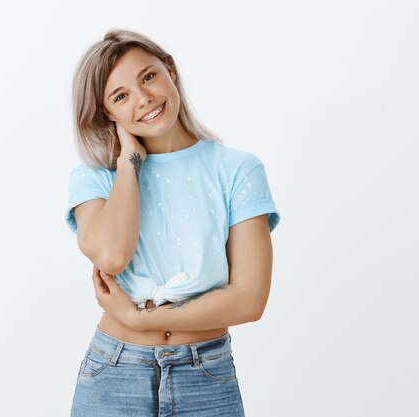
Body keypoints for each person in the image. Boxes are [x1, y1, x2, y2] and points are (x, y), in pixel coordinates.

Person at [64, 29, 280, 416]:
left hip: (206, 379)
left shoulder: (237, 170)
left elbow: (249, 299)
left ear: (170, 71)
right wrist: (129, 162)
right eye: (120, 96)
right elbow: (112, 256)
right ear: (107, 114)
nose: (144, 98)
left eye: (148, 77)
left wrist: (138, 317)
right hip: (114, 375)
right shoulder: (95, 178)